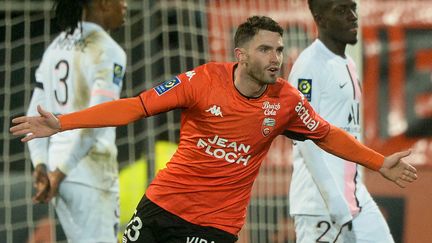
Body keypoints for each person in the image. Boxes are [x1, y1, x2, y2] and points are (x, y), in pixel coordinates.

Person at [11, 16, 417, 243]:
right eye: (265, 49)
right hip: (162, 207)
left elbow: (326, 133)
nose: (276, 58)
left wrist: (379, 162)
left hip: (216, 227)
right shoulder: (202, 81)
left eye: (279, 49)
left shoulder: (287, 101)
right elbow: (134, 108)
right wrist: (63, 122)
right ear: (240, 55)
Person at [287, 0, 398, 242]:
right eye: (341, 10)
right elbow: (303, 139)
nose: (352, 16)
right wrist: (335, 203)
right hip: (321, 205)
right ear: (320, 19)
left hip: (355, 197)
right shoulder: (308, 66)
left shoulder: (348, 63)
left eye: (353, 8)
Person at [25, 0, 127, 242]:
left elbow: (33, 112)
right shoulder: (108, 50)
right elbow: (98, 118)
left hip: (57, 168)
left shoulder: (56, 46)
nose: (125, 5)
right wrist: (61, 172)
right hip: (88, 170)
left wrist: (40, 164)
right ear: (102, 3)